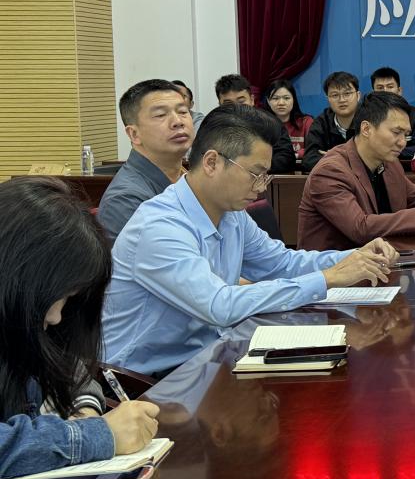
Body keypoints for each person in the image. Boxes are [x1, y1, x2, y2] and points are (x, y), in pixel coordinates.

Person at [103, 103, 398, 377]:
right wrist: (327, 278)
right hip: (146, 381)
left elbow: (281, 263)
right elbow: (219, 306)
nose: (260, 188)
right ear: (211, 162)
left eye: (265, 176)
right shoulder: (160, 226)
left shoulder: (231, 214)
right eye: (255, 174)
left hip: (206, 358)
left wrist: (354, 258)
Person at [0, 178, 160, 479]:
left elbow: (68, 362)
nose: (56, 317)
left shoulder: (27, 325)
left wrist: (84, 409)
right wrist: (96, 435)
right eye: (58, 297)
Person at [297, 91, 415, 250]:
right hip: (336, 266)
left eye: (406, 135)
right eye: (396, 132)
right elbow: (360, 228)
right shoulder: (330, 171)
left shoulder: (389, 162)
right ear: (366, 129)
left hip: (383, 259)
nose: (402, 142)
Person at [98, 79, 193, 241]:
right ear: (134, 134)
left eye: (183, 111)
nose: (178, 122)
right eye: (161, 115)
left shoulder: (190, 179)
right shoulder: (124, 201)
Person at [214, 74, 296, 174]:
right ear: (220, 105)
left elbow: (287, 158)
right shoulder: (212, 128)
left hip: (263, 179)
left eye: (241, 101)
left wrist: (255, 168)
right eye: (228, 104)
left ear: (252, 100)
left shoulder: (270, 123)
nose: (236, 108)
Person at [302, 71, 362, 173]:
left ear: (358, 95)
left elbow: (374, 157)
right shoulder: (321, 123)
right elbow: (309, 160)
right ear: (328, 99)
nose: (342, 100)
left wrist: (333, 157)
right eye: (335, 95)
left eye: (347, 93)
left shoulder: (369, 119)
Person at [370, 66, 415, 163]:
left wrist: (386, 151)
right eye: (380, 88)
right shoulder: (367, 115)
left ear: (399, 90)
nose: (385, 91)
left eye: (390, 87)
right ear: (373, 93)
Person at [264, 78, 313, 160]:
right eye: (275, 98)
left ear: (293, 100)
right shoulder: (263, 124)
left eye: (286, 98)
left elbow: (313, 148)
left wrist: (293, 156)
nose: (281, 103)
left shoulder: (306, 122)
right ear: (268, 101)